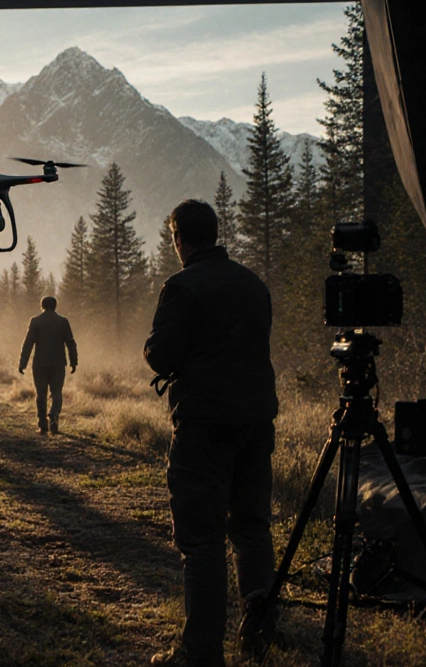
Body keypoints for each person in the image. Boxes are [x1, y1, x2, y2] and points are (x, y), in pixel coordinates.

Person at [144, 200, 279, 667]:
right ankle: (259, 637)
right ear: (215, 233)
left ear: (179, 238)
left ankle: (201, 653)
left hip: (205, 425)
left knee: (202, 540)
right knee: (251, 527)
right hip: (257, 422)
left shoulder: (181, 287)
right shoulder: (253, 284)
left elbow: (161, 356)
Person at [18, 295, 78, 435]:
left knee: (41, 394)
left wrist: (23, 363)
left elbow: (28, 344)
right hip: (58, 364)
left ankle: (42, 425)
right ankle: (54, 416)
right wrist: (73, 361)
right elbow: (70, 342)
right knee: (57, 393)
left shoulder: (36, 321)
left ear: (42, 306)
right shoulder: (63, 322)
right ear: (55, 306)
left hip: (40, 364)